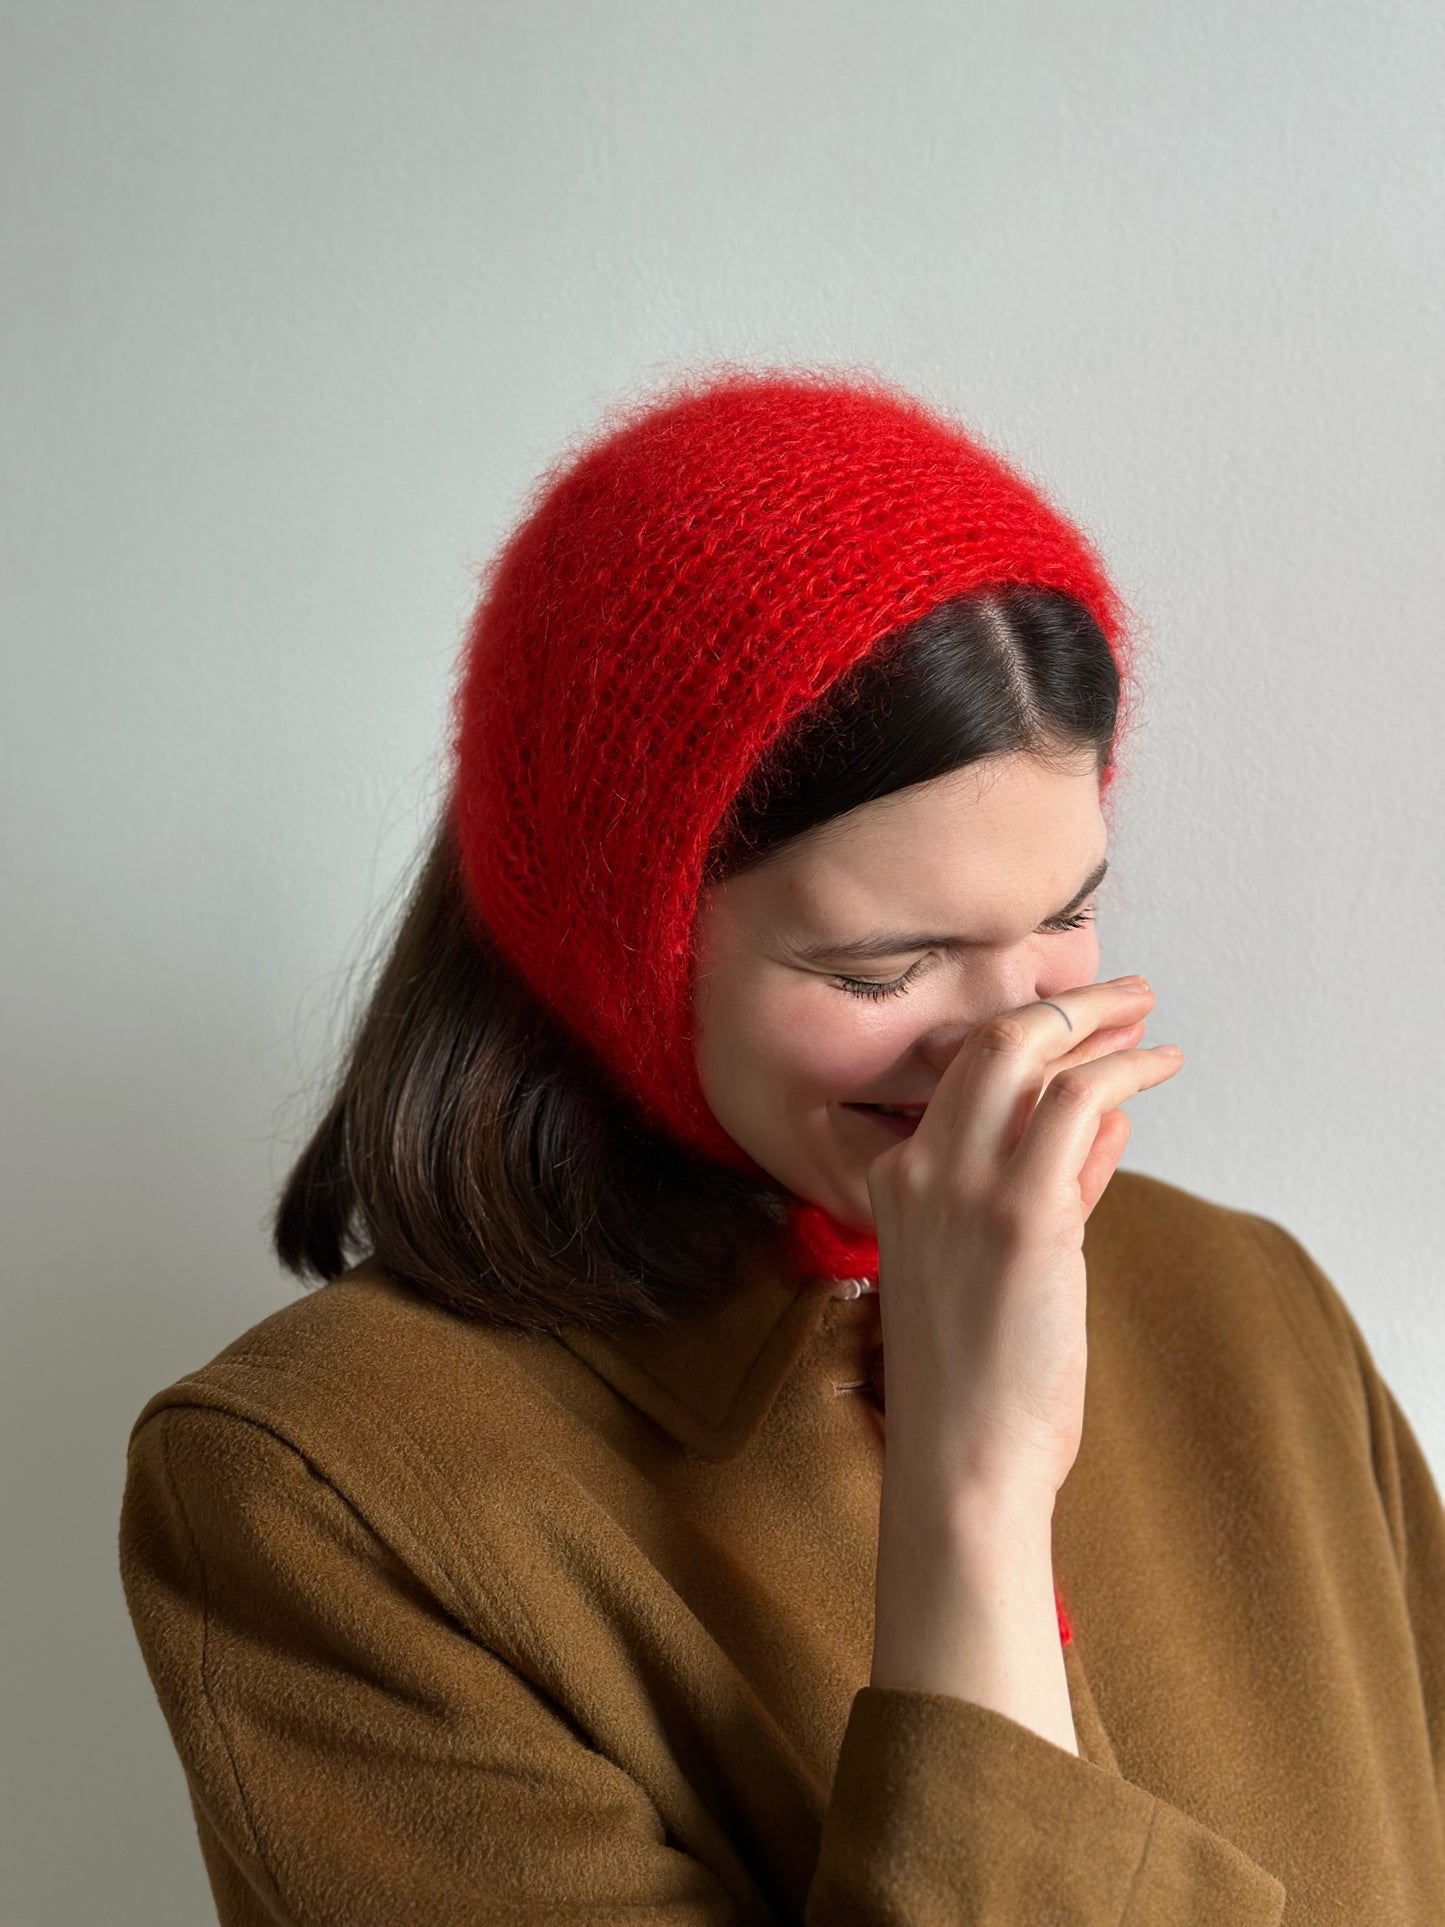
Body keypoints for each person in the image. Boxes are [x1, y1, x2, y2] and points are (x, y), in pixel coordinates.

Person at [118, 368, 1445, 1924]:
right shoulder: (325, 1494)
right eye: (883, 967)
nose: (1008, 1034)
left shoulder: (1246, 1302)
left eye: (1065, 914)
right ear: (629, 941)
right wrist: (970, 1490)